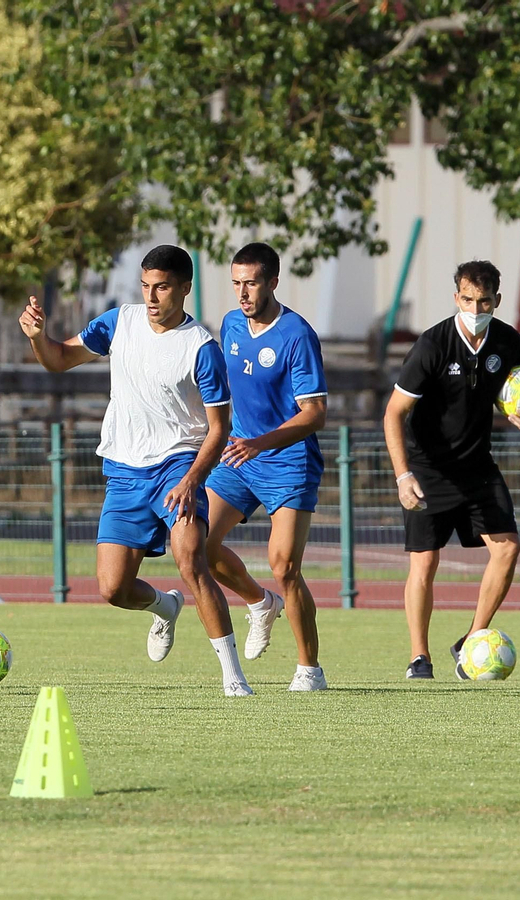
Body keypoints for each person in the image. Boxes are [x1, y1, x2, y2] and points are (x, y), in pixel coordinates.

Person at [21, 244, 252, 696]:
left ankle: (233, 676)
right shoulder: (118, 322)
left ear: (184, 289)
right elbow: (58, 359)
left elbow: (219, 429)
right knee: (112, 588)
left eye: (162, 287)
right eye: (145, 286)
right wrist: (36, 336)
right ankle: (165, 608)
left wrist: (192, 479)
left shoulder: (201, 349)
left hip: (177, 467)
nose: (151, 297)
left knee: (191, 558)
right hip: (125, 472)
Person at [384, 260, 520, 680]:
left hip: (477, 465)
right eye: (467, 299)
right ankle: (418, 657)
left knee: (508, 548)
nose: (475, 307)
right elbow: (393, 414)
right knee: (424, 563)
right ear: (456, 297)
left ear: (497, 300)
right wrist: (404, 476)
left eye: (484, 300)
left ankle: (472, 641)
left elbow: (514, 400)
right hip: (427, 467)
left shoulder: (510, 343)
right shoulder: (432, 345)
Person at [203, 242, 328, 691]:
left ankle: (309, 669)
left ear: (273, 282)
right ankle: (259, 603)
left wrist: (261, 443)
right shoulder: (231, 324)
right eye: (236, 283)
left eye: (251, 282)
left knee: (285, 567)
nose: (242, 293)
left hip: (288, 461)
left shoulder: (297, 334)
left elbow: (314, 412)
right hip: (240, 456)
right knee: (198, 543)